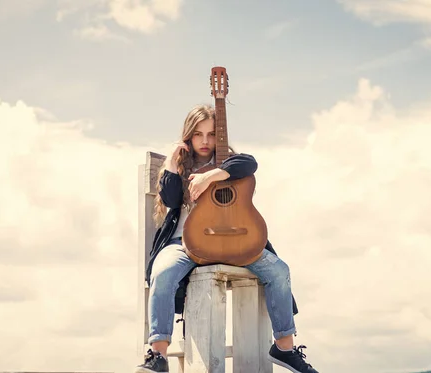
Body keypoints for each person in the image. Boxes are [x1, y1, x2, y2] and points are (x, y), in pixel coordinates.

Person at [135, 104, 319, 373]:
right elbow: (172, 200)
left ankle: (284, 348)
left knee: (279, 270)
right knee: (162, 272)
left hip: (234, 241)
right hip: (184, 244)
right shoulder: (179, 167)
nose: (205, 141)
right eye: (198, 134)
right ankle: (158, 355)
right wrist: (174, 164)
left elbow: (250, 162)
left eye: (211, 134)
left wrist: (213, 175)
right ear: (188, 136)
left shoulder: (230, 163)